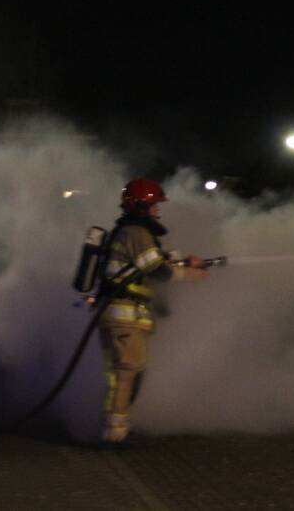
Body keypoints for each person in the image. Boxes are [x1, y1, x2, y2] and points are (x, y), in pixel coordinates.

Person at [98, 178, 208, 444]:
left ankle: (118, 427)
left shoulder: (132, 232)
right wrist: (190, 275)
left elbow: (152, 261)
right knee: (126, 374)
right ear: (141, 206)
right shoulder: (136, 232)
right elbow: (158, 271)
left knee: (127, 373)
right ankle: (115, 433)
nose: (158, 210)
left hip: (125, 315)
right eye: (154, 205)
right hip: (125, 316)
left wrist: (186, 261)